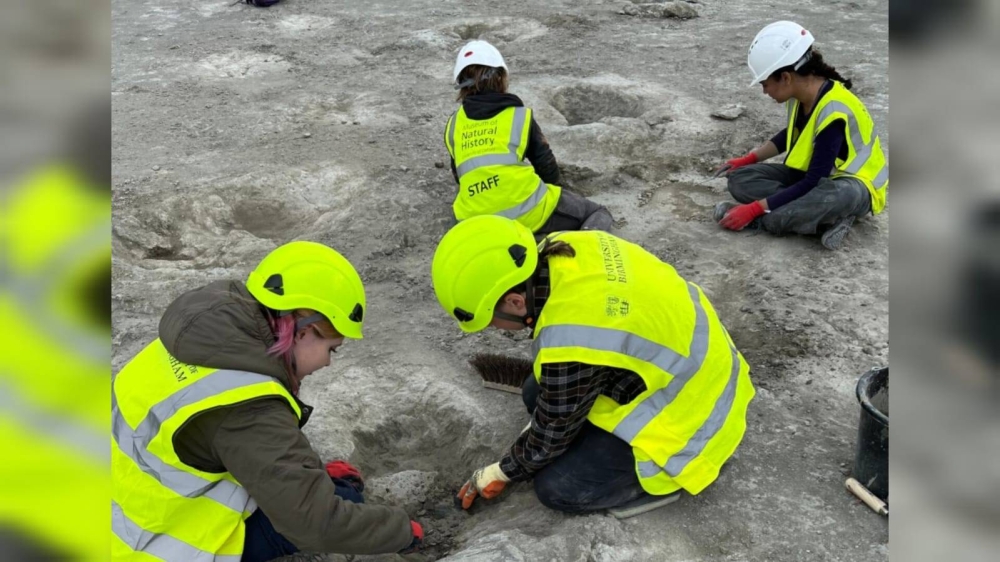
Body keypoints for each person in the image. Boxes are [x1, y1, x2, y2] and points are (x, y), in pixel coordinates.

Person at [111, 241, 423, 561]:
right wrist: (400, 532)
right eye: (331, 349)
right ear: (304, 331)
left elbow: (244, 446)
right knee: (341, 505)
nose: (328, 363)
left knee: (333, 492)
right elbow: (314, 524)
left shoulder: (203, 340)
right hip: (159, 547)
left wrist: (316, 476)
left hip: (122, 513)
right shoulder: (248, 406)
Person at [430, 215, 755, 517]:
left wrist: (502, 471)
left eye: (492, 320)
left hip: (693, 415)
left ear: (516, 302)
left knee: (558, 488)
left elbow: (551, 432)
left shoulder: (573, 336)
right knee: (535, 392)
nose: (496, 329)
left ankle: (657, 486)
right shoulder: (567, 246)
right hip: (690, 362)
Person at [712, 21, 888, 250]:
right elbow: (790, 135)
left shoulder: (833, 110)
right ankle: (816, 217)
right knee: (739, 180)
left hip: (853, 186)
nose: (765, 91)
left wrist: (754, 209)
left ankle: (777, 219)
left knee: (809, 204)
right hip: (812, 179)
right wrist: (748, 160)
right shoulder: (801, 96)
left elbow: (814, 180)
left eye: (765, 84)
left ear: (785, 77)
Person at [444, 40, 614, 236]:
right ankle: (574, 250)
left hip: (474, 221)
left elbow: (460, 176)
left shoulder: (454, 125)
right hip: (528, 211)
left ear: (461, 86)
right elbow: (546, 166)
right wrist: (552, 194)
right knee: (597, 212)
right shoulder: (519, 116)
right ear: (501, 78)